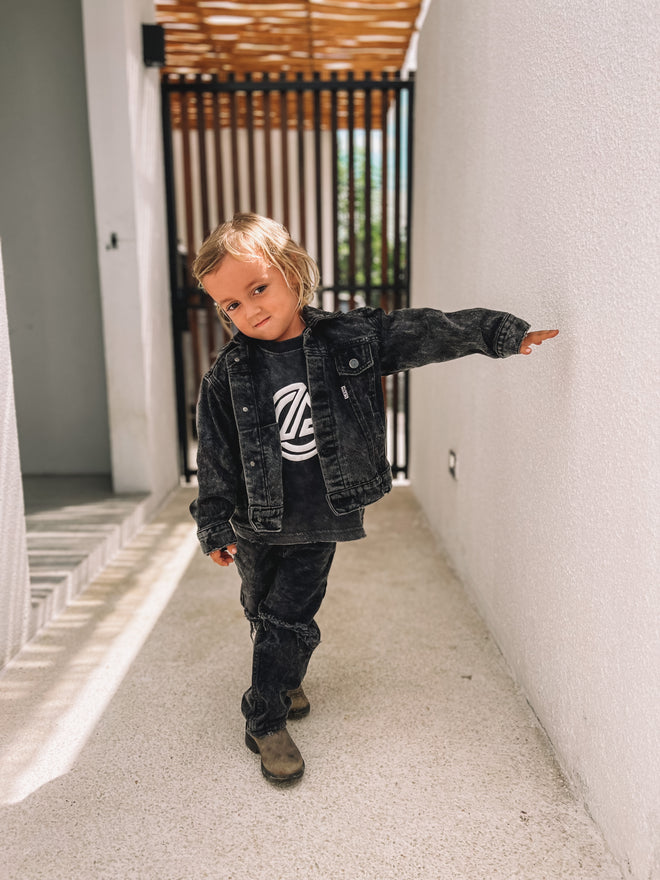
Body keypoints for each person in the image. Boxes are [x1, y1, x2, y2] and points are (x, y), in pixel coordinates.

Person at [190, 212, 558, 785]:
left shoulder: (349, 341)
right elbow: (215, 457)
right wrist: (215, 525)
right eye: (232, 305)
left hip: (320, 515)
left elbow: (427, 331)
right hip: (257, 522)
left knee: (289, 615)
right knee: (261, 609)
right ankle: (284, 676)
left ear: (292, 271)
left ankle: (262, 717)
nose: (250, 310)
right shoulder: (226, 376)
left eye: (258, 288)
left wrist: (498, 334)